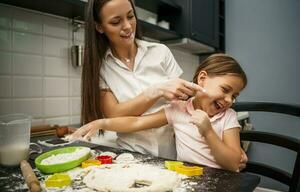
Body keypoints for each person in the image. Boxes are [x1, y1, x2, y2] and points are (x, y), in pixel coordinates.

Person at [71, 53, 248, 172]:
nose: (229, 100)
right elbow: (137, 123)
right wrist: (102, 123)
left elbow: (233, 163)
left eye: (234, 96)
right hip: (187, 178)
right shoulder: (179, 109)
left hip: (222, 184)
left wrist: (208, 132)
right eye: (225, 90)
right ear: (202, 79)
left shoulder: (228, 117)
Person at [81, 0, 204, 159]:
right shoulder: (101, 68)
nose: (127, 26)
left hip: (172, 152)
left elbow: (180, 105)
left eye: (130, 16)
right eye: (116, 22)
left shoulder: (161, 52)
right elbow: (114, 115)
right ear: (99, 27)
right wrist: (156, 91)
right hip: (131, 156)